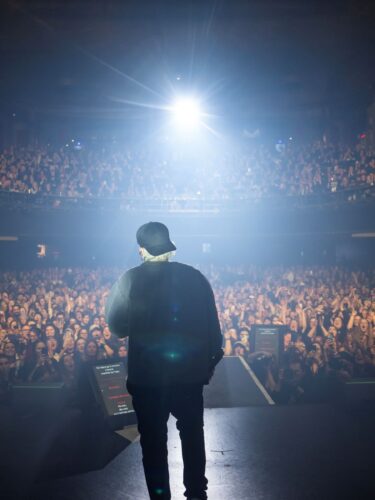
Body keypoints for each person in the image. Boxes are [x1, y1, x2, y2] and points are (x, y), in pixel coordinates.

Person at [105, 221, 223, 500]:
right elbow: (214, 331)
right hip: (189, 377)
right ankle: (196, 493)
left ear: (141, 250)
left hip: (147, 380)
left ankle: (160, 497)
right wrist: (205, 366)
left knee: (154, 444)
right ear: (169, 247)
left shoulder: (129, 279)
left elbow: (117, 327)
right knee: (192, 435)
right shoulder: (195, 277)